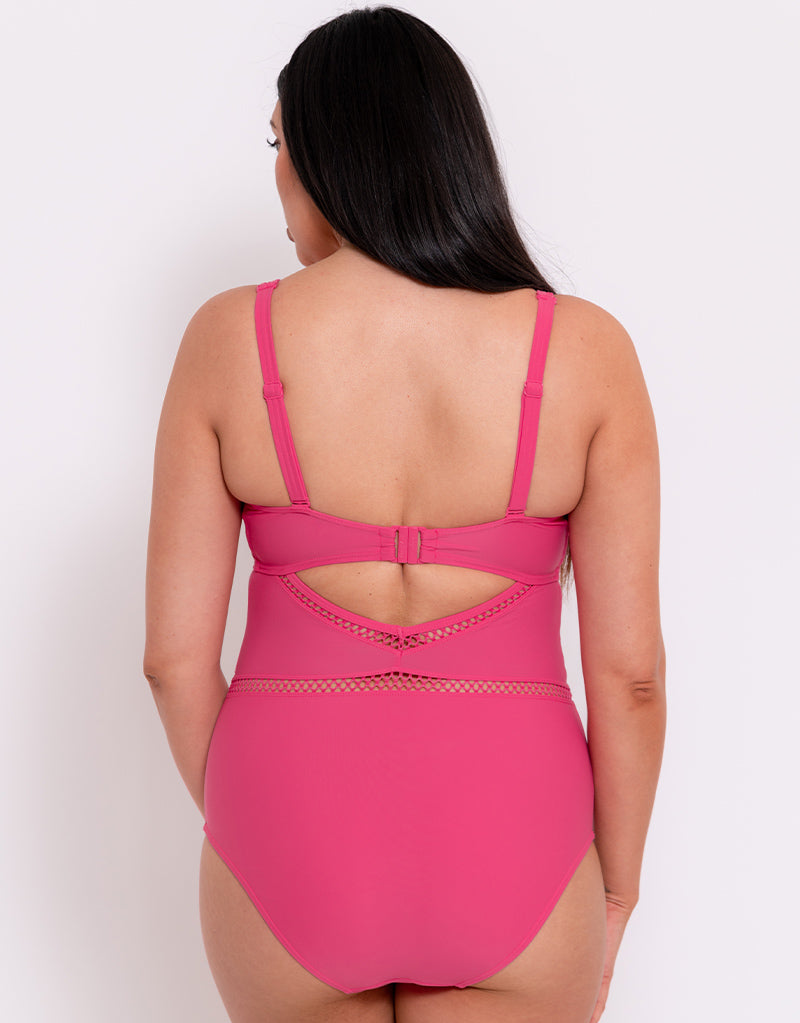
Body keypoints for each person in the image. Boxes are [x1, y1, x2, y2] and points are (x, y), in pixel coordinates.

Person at [144, 7, 665, 1023]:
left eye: (280, 144)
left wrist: (258, 825)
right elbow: (631, 677)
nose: (278, 178)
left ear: (334, 152)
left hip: (288, 832)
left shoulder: (228, 339)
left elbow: (171, 662)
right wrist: (618, 888)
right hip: (514, 838)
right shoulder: (585, 351)